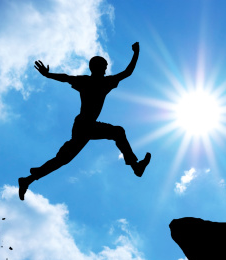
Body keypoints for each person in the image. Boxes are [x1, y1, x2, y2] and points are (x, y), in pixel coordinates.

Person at [18, 42, 151, 200]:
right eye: (105, 65)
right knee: (117, 132)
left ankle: (28, 180)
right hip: (85, 125)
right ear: (98, 67)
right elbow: (66, 78)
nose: (106, 68)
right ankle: (135, 166)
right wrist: (136, 53)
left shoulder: (94, 81)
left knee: (64, 158)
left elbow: (67, 78)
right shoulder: (97, 82)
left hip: (84, 125)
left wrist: (48, 75)